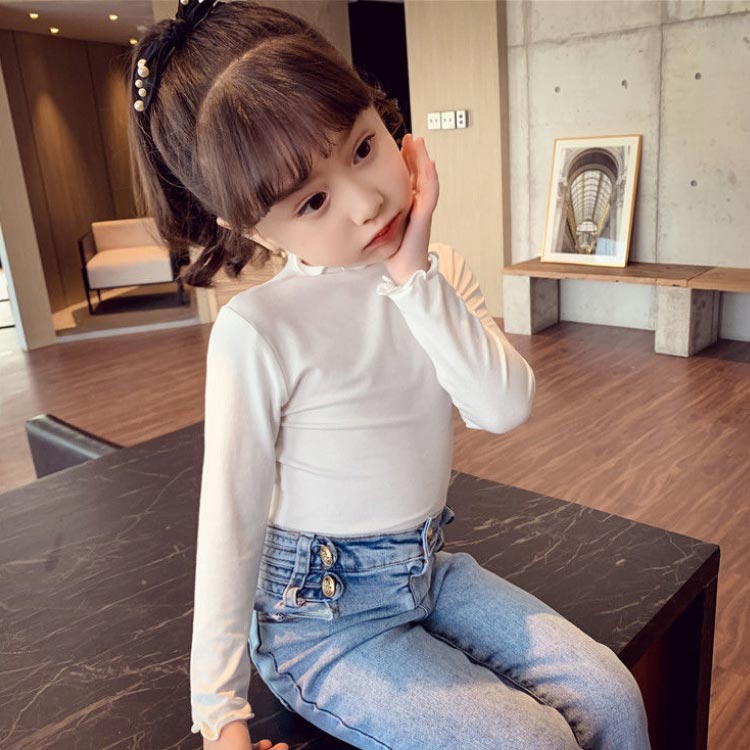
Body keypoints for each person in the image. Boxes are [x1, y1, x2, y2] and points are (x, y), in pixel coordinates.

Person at [127, 2, 652, 749]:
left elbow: (503, 406)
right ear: (249, 228)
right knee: (532, 742)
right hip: (317, 625)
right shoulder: (258, 330)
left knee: (614, 696)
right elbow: (230, 526)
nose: (367, 201)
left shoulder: (436, 276)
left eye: (364, 147)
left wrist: (415, 279)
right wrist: (220, 718)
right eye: (313, 201)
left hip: (427, 572)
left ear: (382, 114)